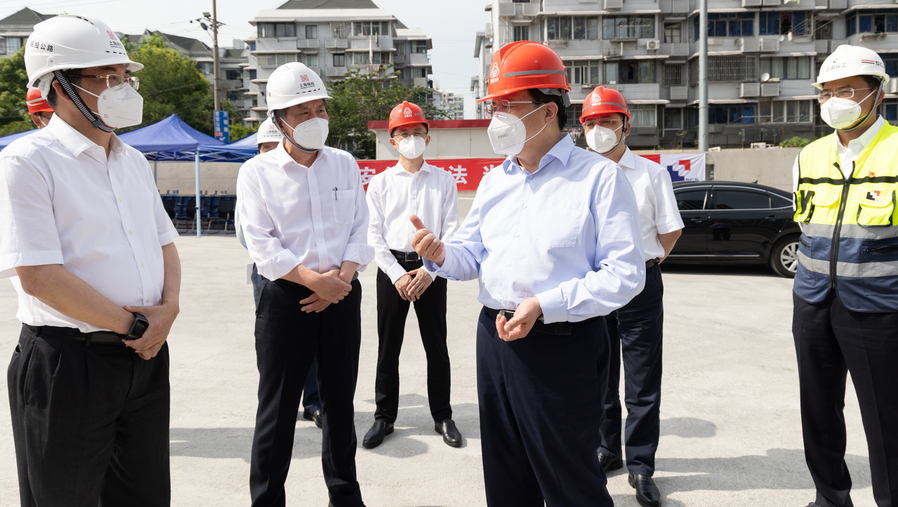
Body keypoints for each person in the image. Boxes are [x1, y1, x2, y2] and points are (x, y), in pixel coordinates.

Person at [409, 40, 646, 507]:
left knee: (568, 479)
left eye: (507, 106)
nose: (497, 117)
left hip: (562, 344)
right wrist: (439, 253)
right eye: (494, 106)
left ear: (547, 110)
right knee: (505, 475)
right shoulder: (498, 179)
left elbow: (624, 274)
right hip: (494, 338)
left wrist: (544, 305)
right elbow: (471, 254)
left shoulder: (598, 178)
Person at [3, 15, 181, 506]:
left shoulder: (133, 161)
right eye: (106, 77)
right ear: (58, 87)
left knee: (144, 496)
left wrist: (168, 309)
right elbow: (40, 276)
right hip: (67, 363)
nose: (121, 87)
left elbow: (164, 243)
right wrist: (135, 324)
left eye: (125, 76)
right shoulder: (27, 162)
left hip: (143, 357)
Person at [238, 61, 373, 507]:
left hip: (342, 292)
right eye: (302, 112)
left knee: (339, 403)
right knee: (276, 410)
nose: (316, 119)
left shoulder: (345, 164)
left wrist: (343, 279)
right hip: (285, 298)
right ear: (279, 121)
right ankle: (267, 499)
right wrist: (312, 279)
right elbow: (261, 243)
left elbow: (361, 229)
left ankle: (344, 495)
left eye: (321, 109)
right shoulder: (258, 172)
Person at [792, 44, 898, 507]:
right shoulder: (809, 155)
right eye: (826, 92)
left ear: (878, 94)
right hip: (813, 301)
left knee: (886, 418)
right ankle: (829, 497)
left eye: (847, 90)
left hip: (879, 309)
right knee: (818, 412)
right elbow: (806, 228)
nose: (835, 100)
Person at [580, 86, 684, 507]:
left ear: (625, 124)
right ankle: (608, 450)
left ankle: (641, 467)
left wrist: (647, 264)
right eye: (591, 123)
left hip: (641, 286)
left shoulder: (650, 173)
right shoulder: (579, 173)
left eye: (607, 121)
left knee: (642, 383)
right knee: (598, 377)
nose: (600, 129)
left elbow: (670, 230)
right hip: (595, 286)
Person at [363, 101, 462, 449]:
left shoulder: (444, 180)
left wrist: (428, 271)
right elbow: (372, 235)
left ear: (428, 138)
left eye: (417, 132)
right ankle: (384, 417)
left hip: (431, 269)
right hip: (392, 271)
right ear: (392, 140)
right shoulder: (379, 183)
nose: (411, 138)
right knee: (388, 347)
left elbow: (451, 229)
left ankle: (443, 415)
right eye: (403, 133)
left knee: (436, 345)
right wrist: (397, 274)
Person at [235, 117, 323, 428]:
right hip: (268, 273)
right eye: (265, 147)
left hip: (308, 272)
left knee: (311, 337)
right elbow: (246, 233)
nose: (271, 151)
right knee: (273, 342)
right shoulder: (252, 178)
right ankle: (277, 401)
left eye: (275, 145)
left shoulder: (305, 177)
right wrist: (273, 255)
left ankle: (313, 401)